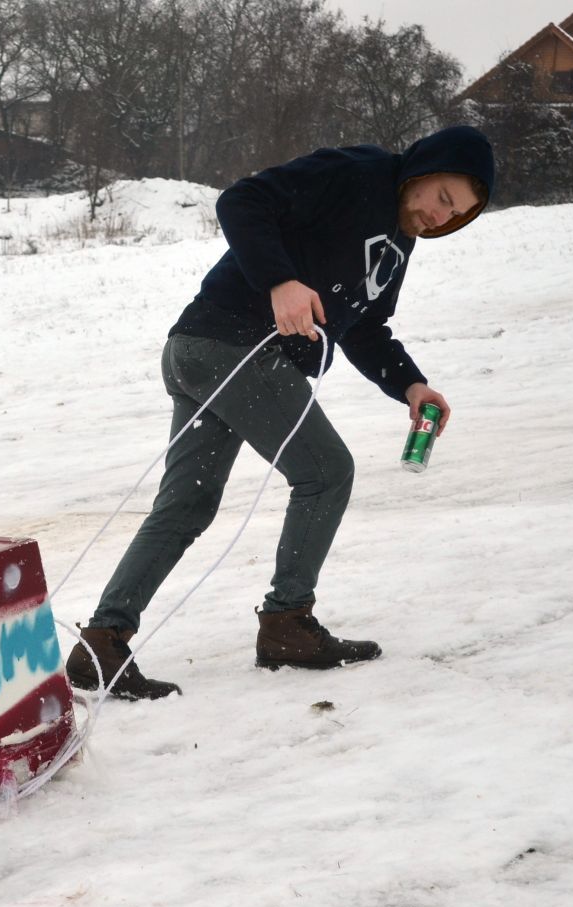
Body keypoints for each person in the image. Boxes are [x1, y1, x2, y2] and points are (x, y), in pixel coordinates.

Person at [66, 126, 495, 699]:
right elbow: (242, 200)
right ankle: (288, 623)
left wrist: (412, 386)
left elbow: (366, 328)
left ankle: (101, 643)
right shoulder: (357, 173)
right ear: (423, 169)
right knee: (327, 472)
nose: (443, 217)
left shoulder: (400, 241)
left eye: (457, 215)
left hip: (204, 352)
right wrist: (281, 282)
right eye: (443, 198)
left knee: (188, 501)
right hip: (233, 346)